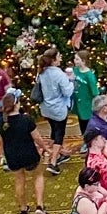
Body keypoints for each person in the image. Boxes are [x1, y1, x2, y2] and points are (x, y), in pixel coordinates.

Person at [0, 94, 48, 214]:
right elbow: (36, 137)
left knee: (19, 181)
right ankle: (39, 206)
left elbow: (1, 141)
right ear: (16, 104)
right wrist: (45, 148)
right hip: (29, 154)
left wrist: (4, 154)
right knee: (38, 176)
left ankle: (23, 209)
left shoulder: (1, 123)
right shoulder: (26, 120)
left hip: (12, 157)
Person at [36, 47, 73, 175]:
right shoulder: (59, 74)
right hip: (58, 108)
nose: (61, 58)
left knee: (54, 130)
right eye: (59, 56)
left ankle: (57, 153)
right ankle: (53, 162)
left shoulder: (41, 72)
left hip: (46, 108)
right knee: (59, 134)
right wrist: (71, 80)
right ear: (53, 59)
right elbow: (67, 91)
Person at [70, 49, 99, 138]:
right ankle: (85, 138)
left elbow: (94, 92)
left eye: (77, 59)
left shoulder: (89, 75)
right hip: (78, 102)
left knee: (88, 123)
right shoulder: (75, 70)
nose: (74, 61)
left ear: (83, 61)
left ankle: (90, 140)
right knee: (81, 122)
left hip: (87, 104)